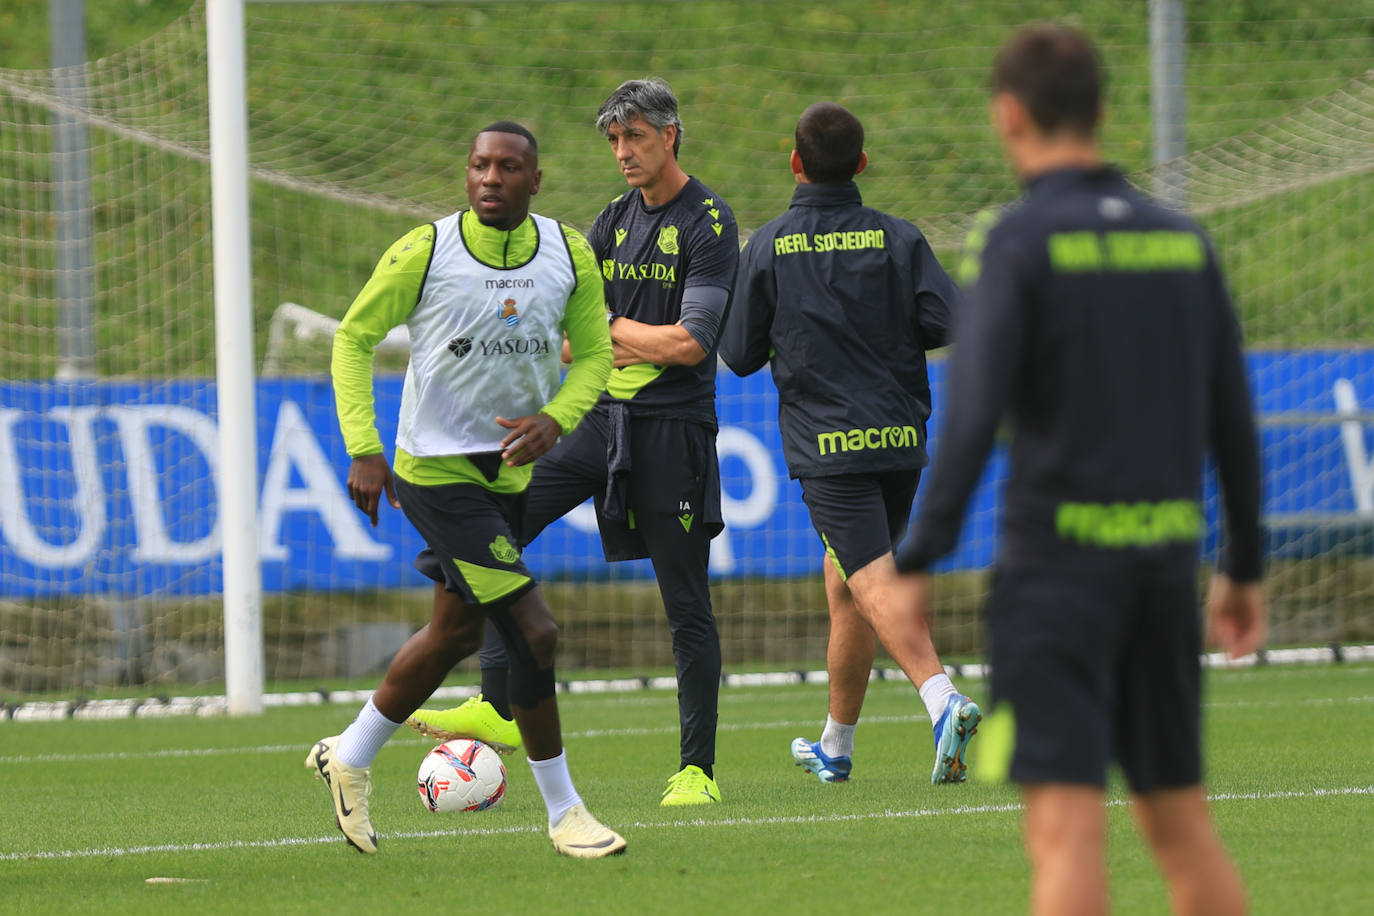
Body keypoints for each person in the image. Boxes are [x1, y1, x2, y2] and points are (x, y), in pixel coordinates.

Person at [894, 25, 1266, 915]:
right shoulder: (1185, 243)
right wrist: (1244, 565)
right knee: (1181, 829)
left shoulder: (1016, 242)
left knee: (1064, 832)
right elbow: (1233, 419)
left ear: (1007, 116)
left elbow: (974, 415)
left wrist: (918, 557)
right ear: (1102, 111)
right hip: (1163, 574)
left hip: (1056, 582)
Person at [409, 78, 740, 807]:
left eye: (636, 137)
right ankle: (496, 705)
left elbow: (689, 343)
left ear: (670, 135)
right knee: (494, 532)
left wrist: (613, 335)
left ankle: (697, 770)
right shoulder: (611, 221)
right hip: (594, 423)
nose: (623, 152)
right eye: (614, 140)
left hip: (670, 431)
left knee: (686, 601)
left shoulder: (709, 221)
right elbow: (563, 334)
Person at [306, 122, 626, 859]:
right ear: (467, 174)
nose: (490, 178)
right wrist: (364, 448)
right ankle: (565, 812)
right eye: (479, 165)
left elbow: (599, 354)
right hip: (436, 472)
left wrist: (557, 417)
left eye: (508, 167)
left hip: (509, 472)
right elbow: (352, 337)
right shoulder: (426, 250)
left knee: (455, 632)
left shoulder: (567, 253)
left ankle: (348, 756)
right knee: (534, 633)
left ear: (534, 181)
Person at [718, 102, 979, 786]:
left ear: (796, 163)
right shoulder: (899, 239)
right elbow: (949, 321)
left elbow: (739, 354)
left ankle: (941, 697)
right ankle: (836, 745)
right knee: (848, 585)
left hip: (830, 448)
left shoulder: (771, 244)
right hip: (899, 439)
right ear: (861, 164)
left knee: (869, 578)